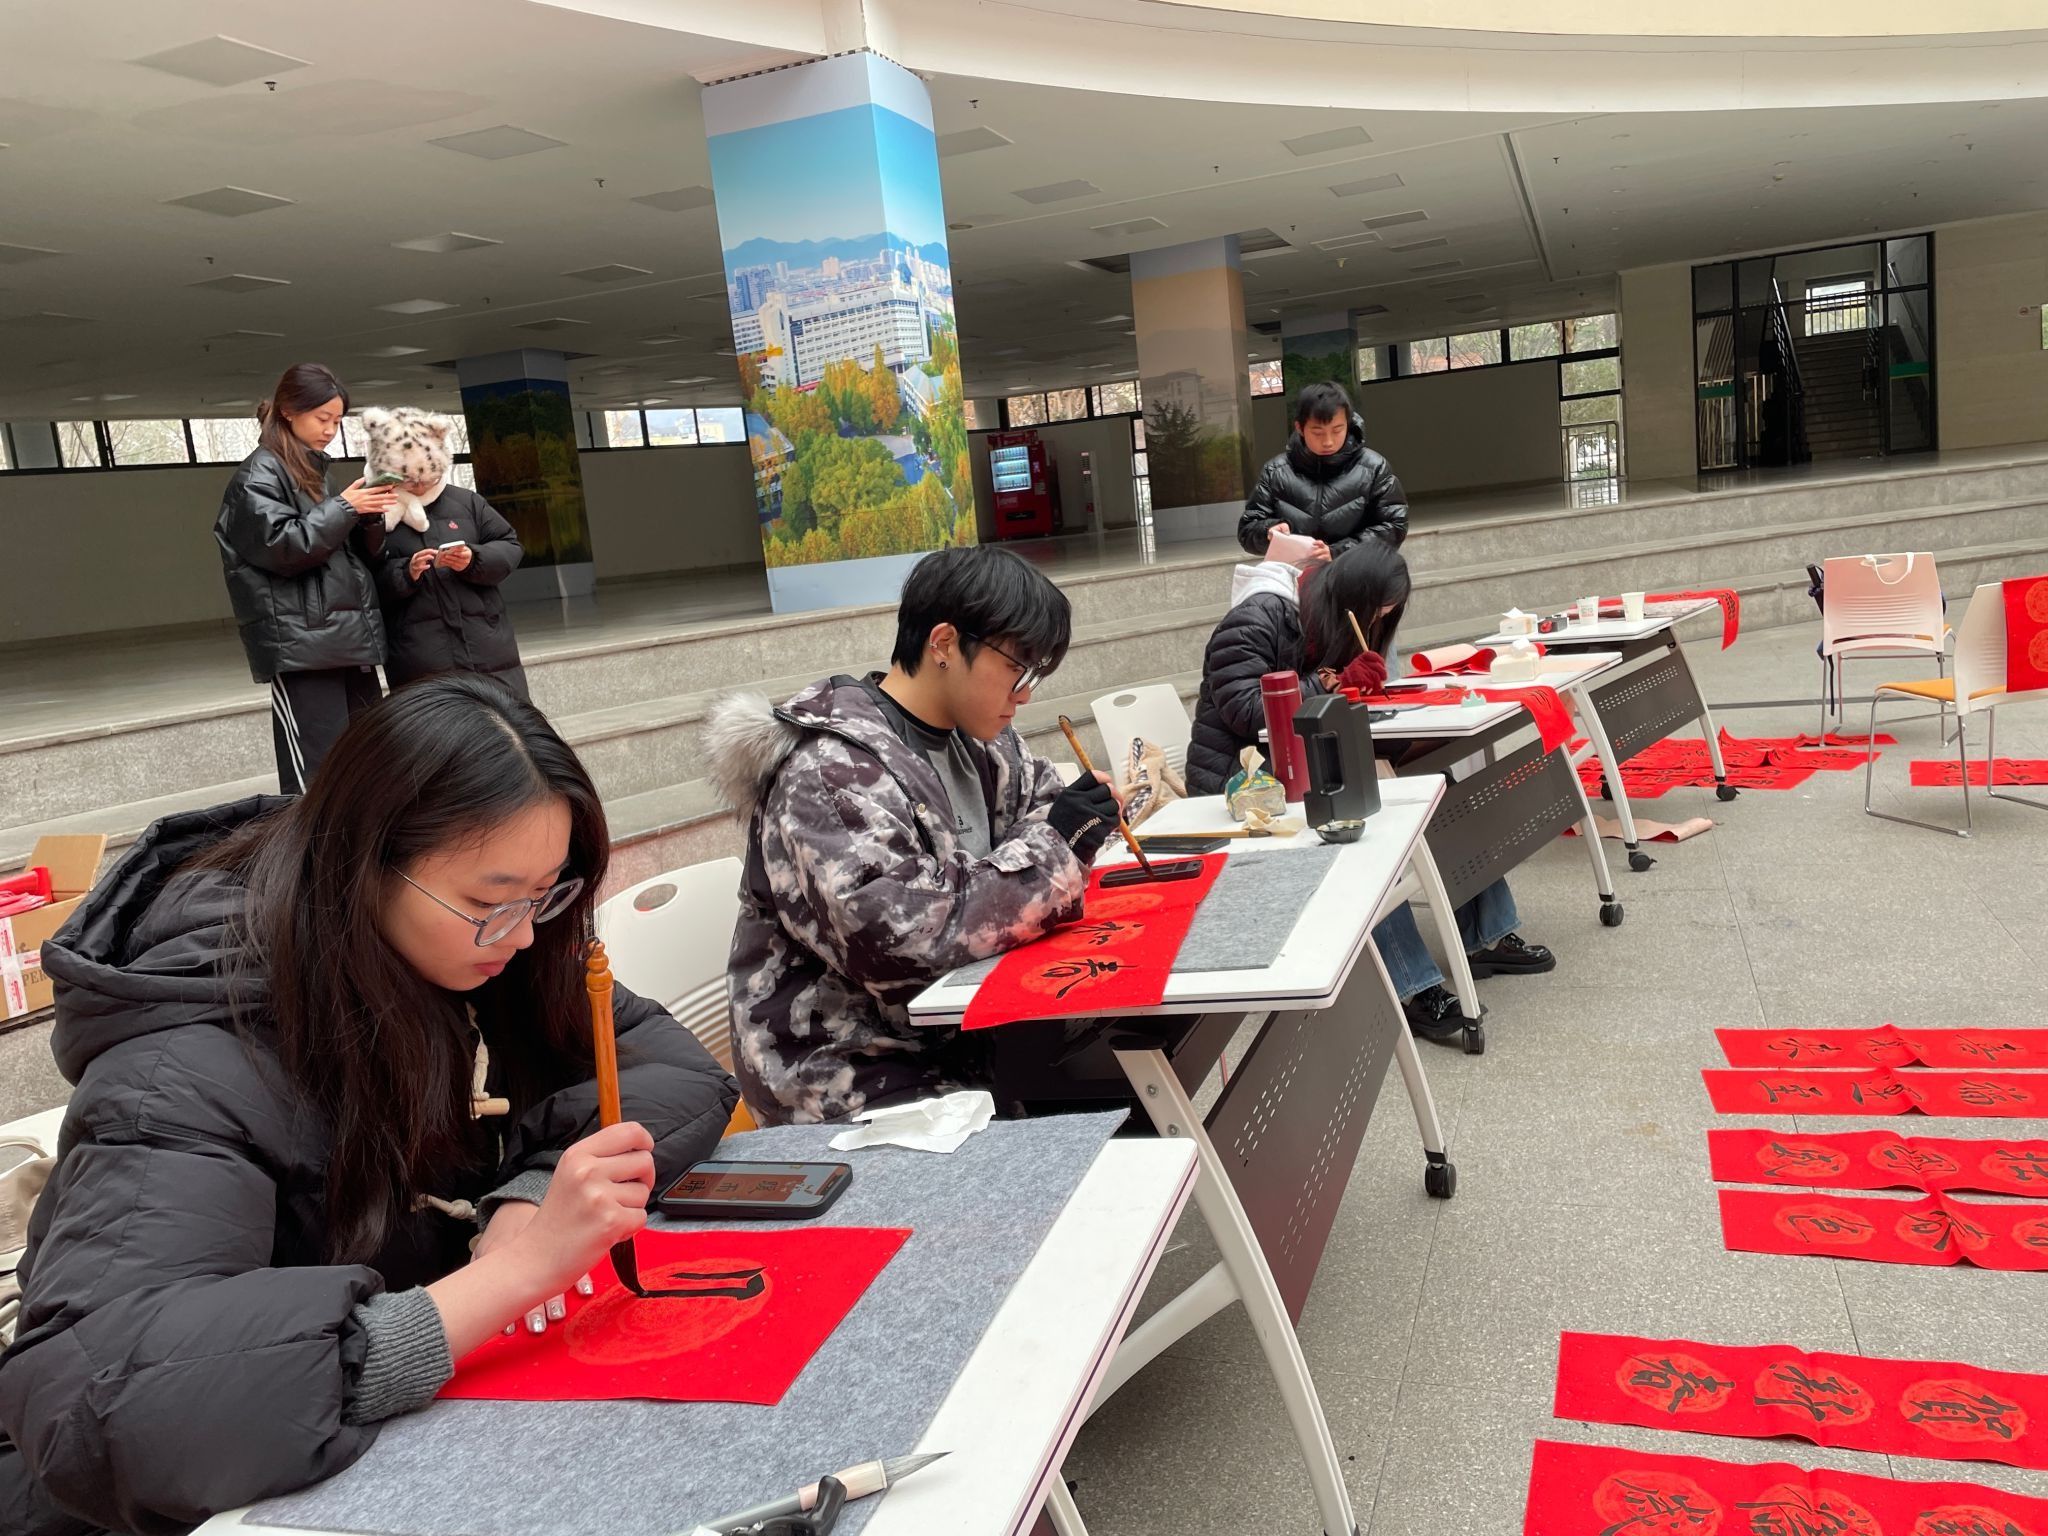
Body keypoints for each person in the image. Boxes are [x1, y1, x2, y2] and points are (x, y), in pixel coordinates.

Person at [0, 677, 736, 1535]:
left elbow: (668, 1068)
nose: (525, 933)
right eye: (488, 901)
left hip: (408, 1448)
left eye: (546, 894)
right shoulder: (187, 1063)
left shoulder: (478, 951)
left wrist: (528, 1195)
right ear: (364, 866)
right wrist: (513, 1275)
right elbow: (103, 1399)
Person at [709, 544, 1123, 1126]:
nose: (1026, 694)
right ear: (945, 644)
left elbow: (1045, 806)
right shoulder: (831, 770)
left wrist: (1055, 837)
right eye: (1018, 669)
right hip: (848, 1070)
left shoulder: (982, 740)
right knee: (1100, 1100)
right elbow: (903, 939)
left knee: (1129, 1053)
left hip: (962, 1028)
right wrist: (1052, 850)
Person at [1186, 541, 1554, 1042]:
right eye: (1374, 613)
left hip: (1313, 760)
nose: (1378, 622)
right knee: (1369, 832)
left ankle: (1487, 934)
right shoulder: (1259, 616)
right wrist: (1331, 682)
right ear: (1348, 600)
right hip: (1246, 779)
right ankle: (1412, 988)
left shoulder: (1331, 618)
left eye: (1387, 616)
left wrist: (1361, 691)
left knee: (1437, 794)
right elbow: (1247, 711)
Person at [214, 364, 396, 794]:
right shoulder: (257, 475)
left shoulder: (311, 472)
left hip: (342, 636)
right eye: (322, 418)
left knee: (363, 761)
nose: (330, 430)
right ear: (289, 411)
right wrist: (346, 508)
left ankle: (358, 838)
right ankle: (313, 840)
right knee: (317, 773)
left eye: (337, 421)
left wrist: (366, 517)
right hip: (302, 645)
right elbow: (284, 547)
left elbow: (342, 551)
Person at [365, 406, 531, 700]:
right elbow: (363, 577)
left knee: (504, 721)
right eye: (409, 478)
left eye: (426, 477)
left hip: (487, 647)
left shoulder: (466, 502)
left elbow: (509, 544)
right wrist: (406, 573)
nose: (419, 486)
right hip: (419, 654)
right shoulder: (374, 514)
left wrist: (473, 559)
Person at [1237, 380, 1408, 559]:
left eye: (1337, 430)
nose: (1328, 441)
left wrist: (1338, 551)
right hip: (1296, 572)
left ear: (1348, 424)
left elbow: (1394, 526)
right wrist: (1268, 531)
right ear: (1300, 428)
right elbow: (1247, 531)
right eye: (1317, 433)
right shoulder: (1276, 472)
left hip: (1353, 571)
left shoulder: (1373, 467)